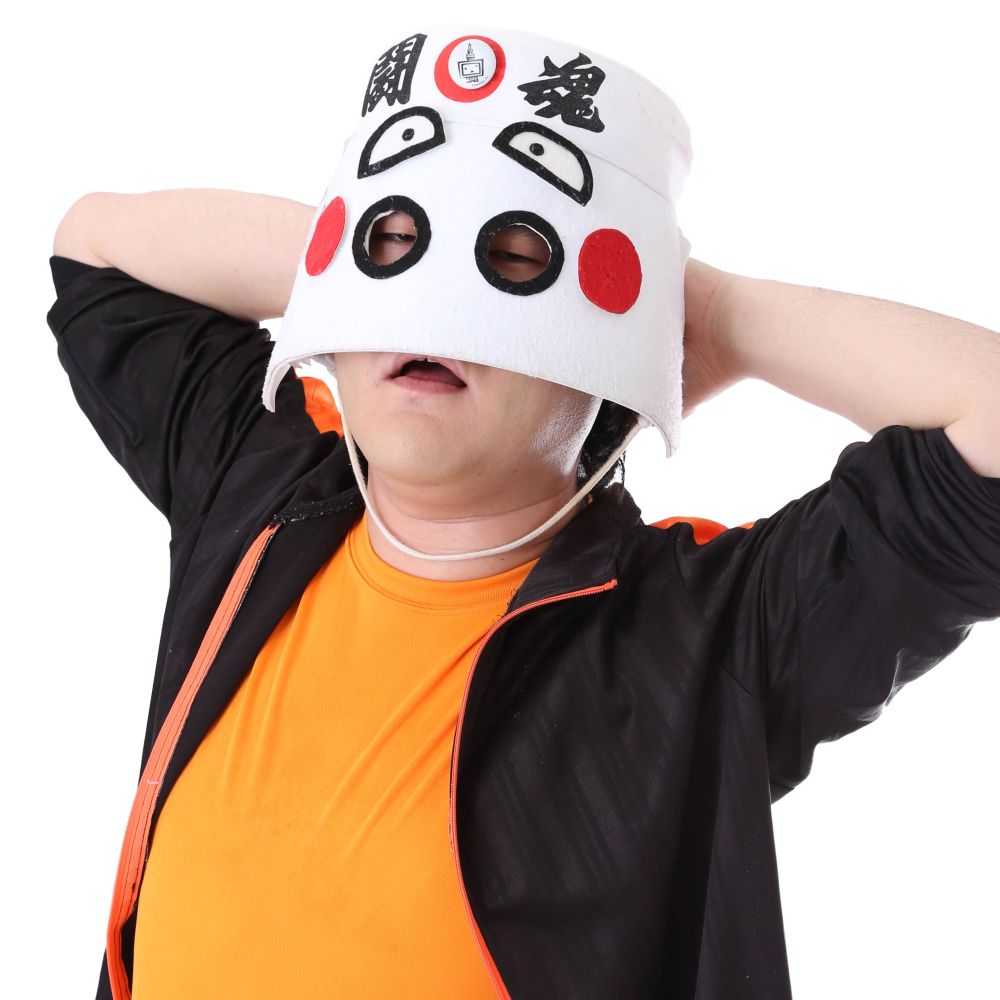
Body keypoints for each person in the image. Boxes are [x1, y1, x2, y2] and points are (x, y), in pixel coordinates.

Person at [47, 23, 1000, 1000]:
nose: (435, 304)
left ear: (615, 357)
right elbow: (95, 251)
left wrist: (710, 313)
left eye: (512, 259)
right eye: (394, 244)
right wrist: (375, 253)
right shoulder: (262, 488)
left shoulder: (705, 634)